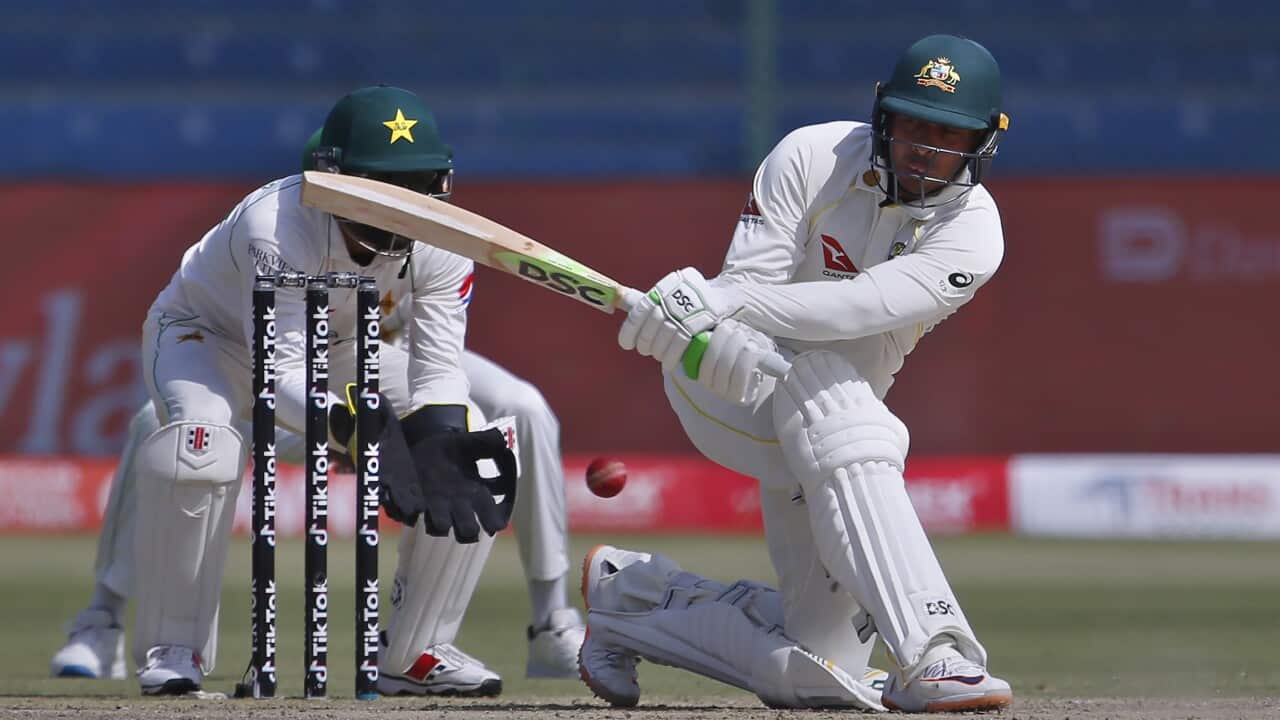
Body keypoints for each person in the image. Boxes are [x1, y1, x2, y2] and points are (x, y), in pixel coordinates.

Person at [50, 119, 587, 693]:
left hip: (345, 345)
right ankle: (172, 648)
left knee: (471, 442)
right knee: (197, 446)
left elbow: (436, 372)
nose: (399, 208)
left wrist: (434, 437)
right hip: (212, 339)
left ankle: (415, 652)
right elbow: (277, 370)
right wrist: (358, 429)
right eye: (380, 187)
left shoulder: (444, 240)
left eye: (415, 186)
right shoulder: (276, 224)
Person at [580, 35, 1014, 713]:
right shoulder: (811, 155)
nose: (926, 147)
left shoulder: (974, 236)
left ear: (983, 144)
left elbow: (863, 306)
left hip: (835, 445)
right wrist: (704, 331)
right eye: (913, 125)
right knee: (840, 397)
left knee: (819, 669)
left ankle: (633, 598)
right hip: (728, 391)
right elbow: (744, 286)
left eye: (949, 134)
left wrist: (727, 300)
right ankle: (934, 651)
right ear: (883, 118)